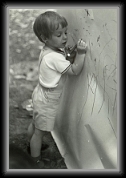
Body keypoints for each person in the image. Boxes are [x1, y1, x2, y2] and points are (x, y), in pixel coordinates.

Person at [27, 11, 88, 168]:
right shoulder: (54, 57)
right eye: (59, 34)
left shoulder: (48, 50)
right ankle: (35, 159)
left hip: (39, 94)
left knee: (35, 123)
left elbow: (63, 58)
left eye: (65, 32)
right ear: (45, 38)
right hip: (47, 100)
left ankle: (33, 145)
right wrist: (80, 53)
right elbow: (74, 71)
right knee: (39, 132)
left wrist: (68, 53)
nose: (65, 37)